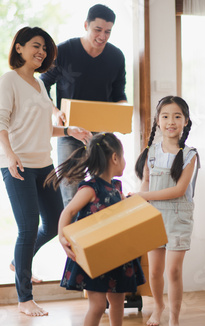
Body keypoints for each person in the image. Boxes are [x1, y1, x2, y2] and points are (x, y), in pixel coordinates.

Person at [0, 26, 92, 317]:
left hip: (43, 164)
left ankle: (17, 260)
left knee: (54, 222)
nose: (42, 52)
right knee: (27, 227)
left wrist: (68, 130)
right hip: (18, 165)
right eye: (36, 45)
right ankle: (25, 298)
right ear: (19, 48)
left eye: (45, 48)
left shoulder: (39, 84)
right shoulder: (9, 80)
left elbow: (43, 126)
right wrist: (9, 155)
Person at [45, 132, 145, 326]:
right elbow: (69, 211)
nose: (124, 161)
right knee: (98, 305)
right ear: (115, 158)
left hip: (117, 256)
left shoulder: (117, 188)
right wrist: (62, 237)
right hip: (94, 257)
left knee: (117, 302)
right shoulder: (90, 188)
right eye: (123, 156)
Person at [40, 4, 127, 208]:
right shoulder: (64, 51)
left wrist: (121, 113)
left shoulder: (116, 57)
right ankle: (72, 238)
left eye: (108, 32)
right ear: (86, 25)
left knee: (104, 194)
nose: (102, 36)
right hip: (71, 133)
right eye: (97, 30)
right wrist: (55, 111)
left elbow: (119, 94)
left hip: (102, 136)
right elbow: (42, 84)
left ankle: (97, 238)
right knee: (71, 195)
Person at [133, 96, 200, 326]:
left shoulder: (190, 154)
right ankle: (158, 306)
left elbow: (179, 190)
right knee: (153, 271)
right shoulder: (150, 153)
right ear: (157, 122)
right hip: (154, 218)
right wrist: (138, 199)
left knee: (173, 271)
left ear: (185, 121)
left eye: (177, 116)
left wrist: (145, 196)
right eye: (165, 116)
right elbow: (147, 185)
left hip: (178, 217)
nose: (171, 121)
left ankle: (174, 320)